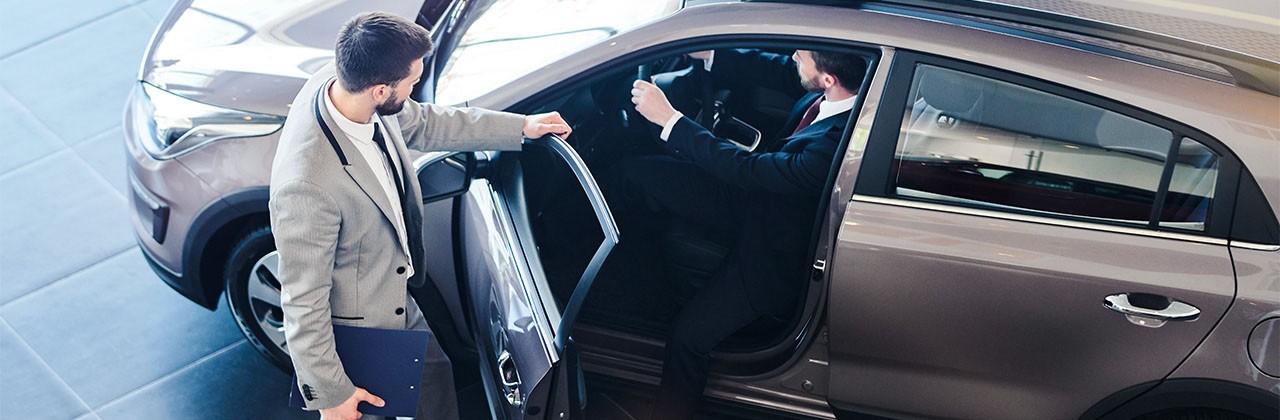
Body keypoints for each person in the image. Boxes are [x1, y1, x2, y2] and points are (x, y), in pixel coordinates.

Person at [268, 12, 571, 420]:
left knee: (435, 385)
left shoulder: (346, 80)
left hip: (397, 293)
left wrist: (521, 127)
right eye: (410, 83)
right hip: (365, 331)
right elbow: (302, 300)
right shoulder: (306, 185)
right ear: (379, 90)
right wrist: (330, 394)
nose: (413, 91)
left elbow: (425, 122)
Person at [628, 48, 866, 419]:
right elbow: (777, 70)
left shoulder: (829, 147)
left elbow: (748, 169)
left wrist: (670, 119)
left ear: (828, 80)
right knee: (639, 172)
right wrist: (711, 53)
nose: (791, 57)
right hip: (757, 204)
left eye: (800, 57)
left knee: (687, 339)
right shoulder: (841, 92)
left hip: (770, 252)